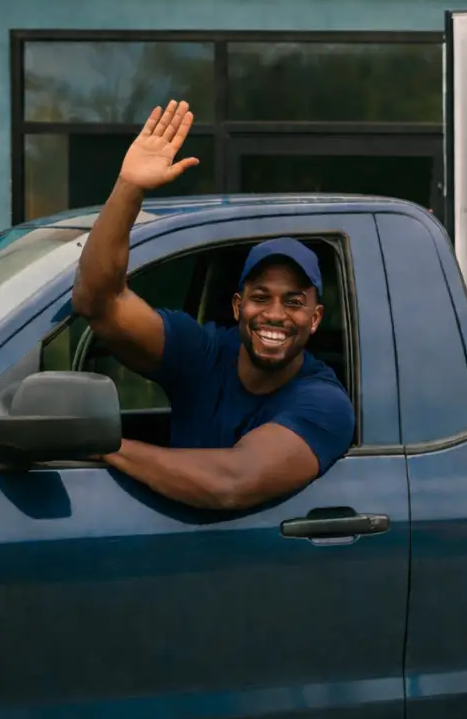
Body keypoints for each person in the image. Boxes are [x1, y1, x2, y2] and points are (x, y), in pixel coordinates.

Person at [72, 99, 355, 511]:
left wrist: (107, 448)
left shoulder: (323, 403)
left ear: (314, 320)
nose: (275, 314)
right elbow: (98, 302)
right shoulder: (202, 353)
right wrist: (129, 187)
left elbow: (231, 482)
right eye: (261, 297)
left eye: (293, 302)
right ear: (238, 306)